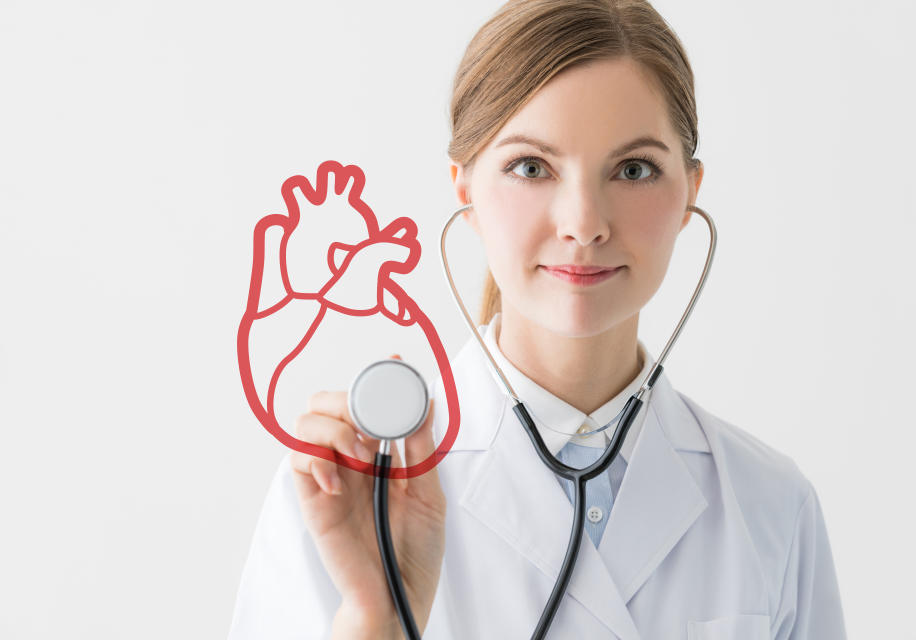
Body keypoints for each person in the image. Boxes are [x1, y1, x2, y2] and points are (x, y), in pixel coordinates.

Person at [228, 1, 847, 638]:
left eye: (633, 169)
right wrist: (375, 618)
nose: (584, 222)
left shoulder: (771, 505)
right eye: (531, 168)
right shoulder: (345, 491)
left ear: (689, 193)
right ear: (465, 189)